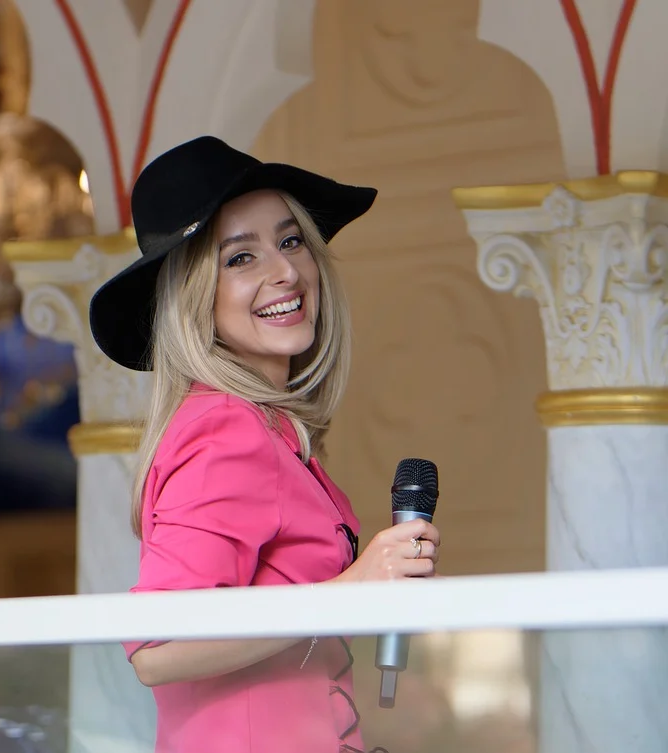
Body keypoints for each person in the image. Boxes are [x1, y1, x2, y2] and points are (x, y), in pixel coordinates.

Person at [87, 136, 441, 753]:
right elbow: (158, 647)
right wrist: (349, 590)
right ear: (194, 296)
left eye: (291, 241)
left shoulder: (268, 432)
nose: (285, 272)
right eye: (240, 257)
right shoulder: (227, 429)